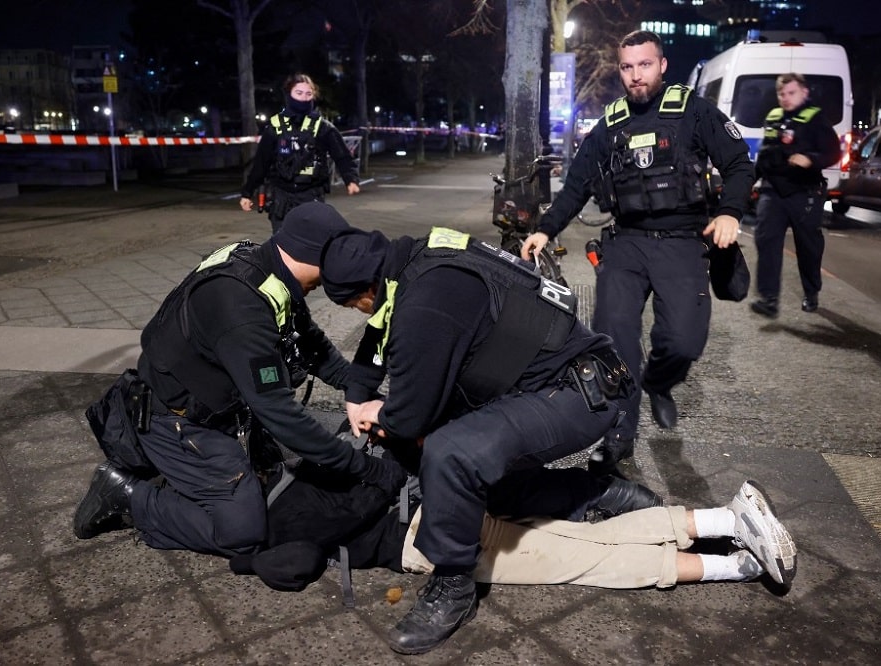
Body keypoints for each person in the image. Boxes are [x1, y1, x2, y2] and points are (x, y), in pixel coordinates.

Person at [317, 224, 661, 654]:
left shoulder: (425, 305)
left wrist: (377, 410)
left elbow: (408, 417)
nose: (359, 313)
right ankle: (597, 493)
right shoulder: (415, 258)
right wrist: (357, 392)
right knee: (465, 484)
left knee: (451, 453)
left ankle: (453, 587)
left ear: (368, 287)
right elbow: (380, 325)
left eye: (354, 304)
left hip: (578, 394)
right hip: (560, 379)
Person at [73, 202, 405, 557]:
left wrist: (368, 394)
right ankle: (127, 495)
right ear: (315, 256)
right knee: (243, 532)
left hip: (219, 408)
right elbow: (279, 413)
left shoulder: (270, 268)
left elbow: (315, 349)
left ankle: (199, 476)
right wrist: (366, 468)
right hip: (173, 420)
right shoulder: (240, 307)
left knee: (271, 483)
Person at [521, 30, 755, 473]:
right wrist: (546, 230)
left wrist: (729, 213)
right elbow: (577, 184)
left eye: (644, 65)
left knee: (683, 341)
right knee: (612, 340)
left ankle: (660, 381)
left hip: (683, 242)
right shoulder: (611, 124)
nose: (635, 76)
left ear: (662, 65)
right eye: (627, 67)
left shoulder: (693, 112)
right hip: (626, 243)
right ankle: (619, 434)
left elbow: (740, 164)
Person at [234, 476, 797, 601]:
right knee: (590, 541)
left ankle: (734, 546)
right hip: (444, 504)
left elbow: (299, 563)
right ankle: (730, 534)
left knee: (590, 563)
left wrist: (251, 559)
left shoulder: (282, 517)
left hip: (430, 542)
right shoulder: (307, 469)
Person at [750, 73, 841, 318]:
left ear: (804, 92)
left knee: (808, 246)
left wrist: (810, 159)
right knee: (766, 240)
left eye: (791, 93)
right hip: (773, 191)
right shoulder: (774, 117)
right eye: (782, 94)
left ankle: (811, 292)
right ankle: (769, 298)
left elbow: (834, 153)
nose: (786, 98)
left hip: (805, 192)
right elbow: (765, 156)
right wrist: (749, 181)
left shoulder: (815, 119)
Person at [239, 73, 360, 233]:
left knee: (313, 243)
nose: (303, 98)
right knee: (283, 245)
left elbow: (342, 155)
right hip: (281, 196)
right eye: (299, 93)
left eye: (308, 94)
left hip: (311, 194)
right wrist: (247, 192)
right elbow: (261, 162)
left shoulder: (322, 126)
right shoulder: (275, 126)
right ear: (289, 94)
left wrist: (350, 179)